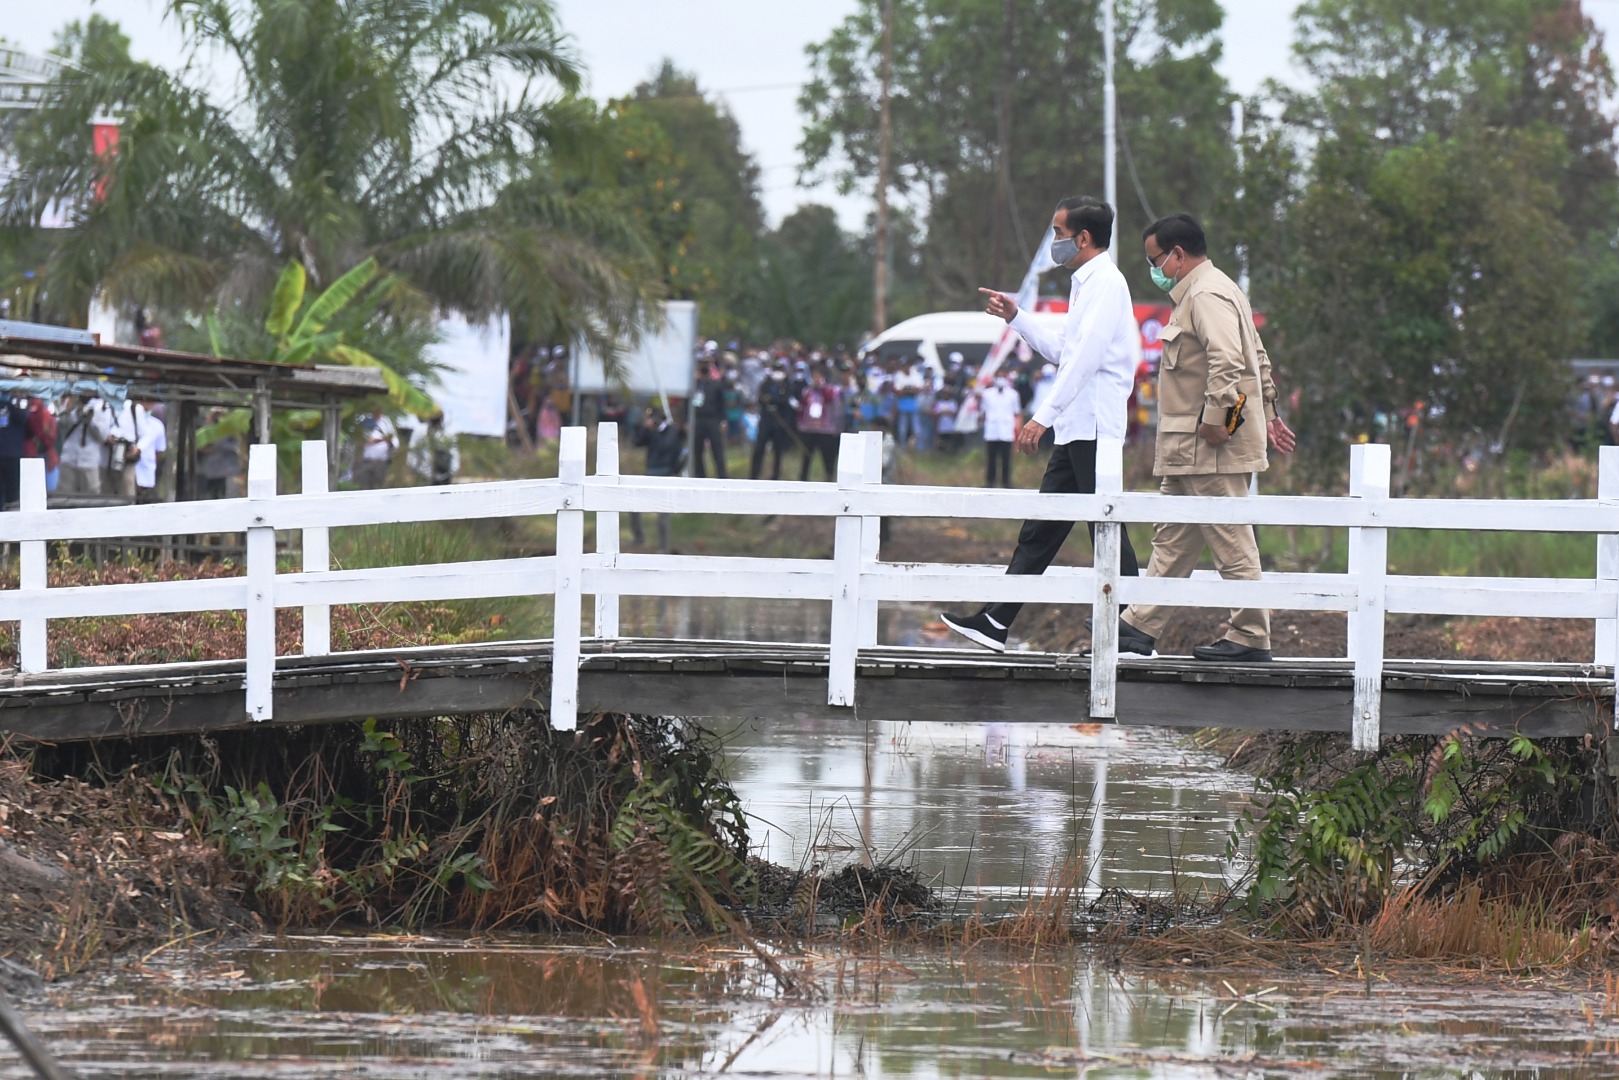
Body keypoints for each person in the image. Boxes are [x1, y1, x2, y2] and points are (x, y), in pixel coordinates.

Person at [940, 196, 1142, 652]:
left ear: (1083, 238)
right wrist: (1017, 317)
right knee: (1043, 528)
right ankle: (996, 620)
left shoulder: (1107, 283)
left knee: (1106, 531)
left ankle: (1134, 624)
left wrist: (1040, 417)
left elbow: (1085, 359)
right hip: (1076, 428)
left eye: (1058, 233)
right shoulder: (1085, 283)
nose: (1054, 241)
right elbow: (1062, 350)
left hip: (1093, 426)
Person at [1118, 213, 1296, 662]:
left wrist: (1218, 419)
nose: (1154, 270)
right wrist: (1269, 413)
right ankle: (1138, 625)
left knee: (1230, 538)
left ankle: (1251, 635)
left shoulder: (1205, 294)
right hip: (1189, 446)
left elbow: (1230, 360)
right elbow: (1259, 357)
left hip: (1209, 444)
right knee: (1173, 539)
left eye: (1155, 260)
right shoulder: (1217, 288)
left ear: (1177, 255)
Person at [630, 406, 685, 552]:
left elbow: (664, 447)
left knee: (663, 514)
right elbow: (637, 442)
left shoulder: (671, 431)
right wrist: (643, 429)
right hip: (650, 472)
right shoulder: (652, 432)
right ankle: (638, 538)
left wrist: (653, 432)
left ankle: (663, 546)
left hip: (665, 473)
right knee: (633, 505)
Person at [797, 366, 843, 481]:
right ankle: (803, 479)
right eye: (814, 376)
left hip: (825, 429)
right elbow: (802, 407)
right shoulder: (807, 391)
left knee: (827, 457)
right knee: (807, 456)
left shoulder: (831, 390)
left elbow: (833, 402)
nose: (816, 379)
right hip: (809, 428)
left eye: (818, 376)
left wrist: (821, 388)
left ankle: (829, 478)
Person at [57, 395, 109, 495]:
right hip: (69, 459)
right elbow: (61, 426)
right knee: (64, 496)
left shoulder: (99, 407)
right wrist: (67, 411)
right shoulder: (71, 403)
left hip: (89, 461)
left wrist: (90, 420)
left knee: (91, 497)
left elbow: (102, 436)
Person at [979, 374, 1021, 487]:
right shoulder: (987, 394)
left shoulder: (1013, 394)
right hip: (992, 430)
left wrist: (1017, 428)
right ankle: (990, 481)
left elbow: (1016, 412)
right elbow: (983, 410)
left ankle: (1006, 481)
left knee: (1006, 458)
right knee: (991, 458)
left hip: (1006, 430)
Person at [691, 362, 728, 478]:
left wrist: (723, 421)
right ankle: (700, 475)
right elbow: (688, 403)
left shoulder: (716, 385)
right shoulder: (694, 386)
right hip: (698, 419)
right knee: (697, 450)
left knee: (717, 449)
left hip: (712, 419)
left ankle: (722, 476)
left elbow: (722, 404)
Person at [131, 400, 167, 503]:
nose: (146, 406)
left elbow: (159, 452)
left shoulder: (157, 425)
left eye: (149, 403)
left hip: (147, 474)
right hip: (129, 472)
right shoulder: (127, 420)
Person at [354, 407, 396, 488]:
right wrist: (376, 440)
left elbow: (394, 443)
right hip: (366, 460)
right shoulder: (366, 422)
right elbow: (361, 440)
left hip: (381, 462)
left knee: (378, 485)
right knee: (364, 485)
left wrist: (385, 440)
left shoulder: (386, 423)